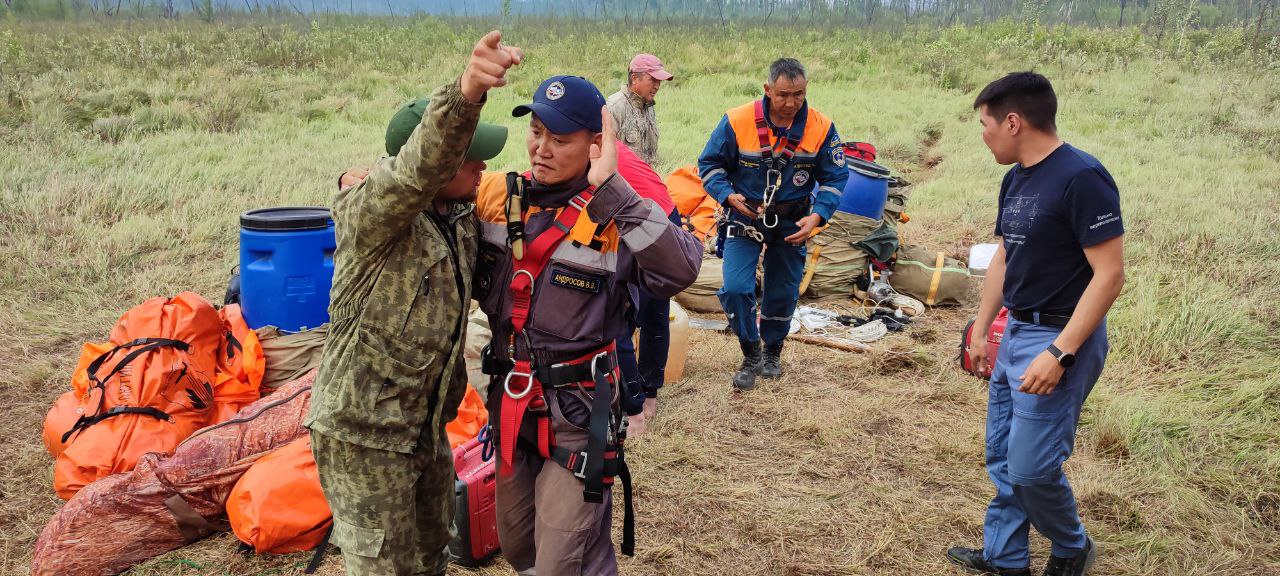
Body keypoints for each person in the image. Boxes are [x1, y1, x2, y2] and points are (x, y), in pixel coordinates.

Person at [304, 30, 521, 576]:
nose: (482, 168)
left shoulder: (458, 221)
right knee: (386, 567)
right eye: (470, 157)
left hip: (423, 427)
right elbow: (411, 173)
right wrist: (468, 92)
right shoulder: (374, 217)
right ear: (435, 159)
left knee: (429, 556)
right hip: (363, 435)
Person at [472, 74, 701, 575]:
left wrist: (613, 188)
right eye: (536, 131)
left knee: (562, 561)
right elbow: (434, 202)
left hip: (578, 417)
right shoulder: (496, 198)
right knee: (519, 548)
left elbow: (681, 270)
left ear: (597, 144)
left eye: (560, 138)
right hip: (510, 407)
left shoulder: (616, 215)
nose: (541, 149)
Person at [947, 72, 1125, 576]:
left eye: (984, 124)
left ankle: (1071, 546)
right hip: (1017, 329)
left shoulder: (1082, 177)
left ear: (1013, 121)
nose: (983, 135)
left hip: (1059, 335)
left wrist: (1061, 352)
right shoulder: (1017, 177)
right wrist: (982, 329)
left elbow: (1110, 276)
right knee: (1003, 453)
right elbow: (1006, 254)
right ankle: (1005, 558)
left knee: (1030, 466)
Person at [697, 57, 849, 392]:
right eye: (783, 94)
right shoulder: (737, 121)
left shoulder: (821, 127)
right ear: (767, 90)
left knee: (782, 290)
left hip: (793, 218)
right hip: (745, 214)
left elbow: (836, 176)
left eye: (798, 94)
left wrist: (818, 215)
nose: (791, 102)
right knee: (737, 288)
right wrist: (727, 195)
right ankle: (750, 353)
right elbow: (709, 163)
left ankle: (773, 353)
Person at [605, 53, 672, 166]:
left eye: (659, 81)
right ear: (635, 78)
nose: (657, 86)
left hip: (647, 179)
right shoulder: (614, 107)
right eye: (653, 79)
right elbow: (605, 157)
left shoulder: (648, 106)